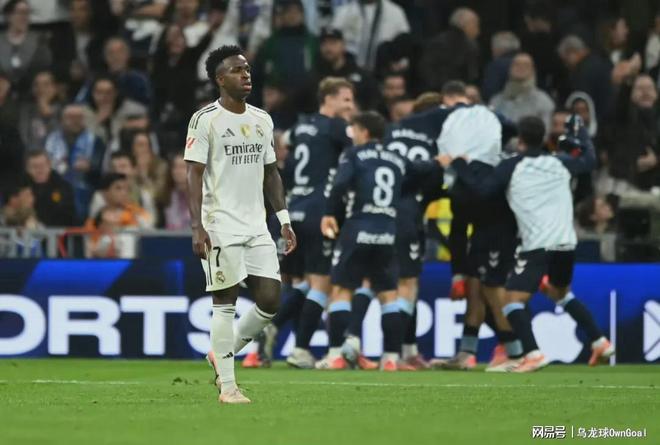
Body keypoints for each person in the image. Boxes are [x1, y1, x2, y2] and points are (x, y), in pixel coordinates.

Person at [443, 115, 614, 372]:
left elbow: (481, 190)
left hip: (538, 245)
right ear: (544, 138)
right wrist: (581, 135)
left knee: (512, 301)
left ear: (520, 140)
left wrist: (458, 164)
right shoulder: (559, 162)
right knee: (561, 295)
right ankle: (600, 342)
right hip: (567, 244)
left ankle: (532, 354)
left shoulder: (512, 166)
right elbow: (589, 160)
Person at [186, 45, 296, 404]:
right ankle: (229, 386)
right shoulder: (205, 119)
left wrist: (283, 219)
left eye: (247, 69)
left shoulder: (262, 119)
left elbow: (271, 173)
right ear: (220, 79)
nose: (246, 74)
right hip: (219, 223)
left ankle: (221, 353)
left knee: (270, 300)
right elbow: (194, 174)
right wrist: (197, 226)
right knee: (225, 301)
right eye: (237, 70)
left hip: (256, 224)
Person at [319, 111, 440, 371]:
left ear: (364, 131)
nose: (352, 135)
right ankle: (391, 358)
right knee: (389, 295)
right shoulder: (396, 158)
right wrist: (439, 161)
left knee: (342, 291)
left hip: (358, 228)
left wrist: (329, 213)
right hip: (387, 232)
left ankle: (336, 354)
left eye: (354, 130)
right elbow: (421, 169)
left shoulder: (354, 154)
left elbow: (339, 185)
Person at [428, 81, 523, 372]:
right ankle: (467, 353)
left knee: (493, 291)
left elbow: (482, 193)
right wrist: (458, 271)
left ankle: (517, 352)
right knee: (475, 290)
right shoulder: (460, 178)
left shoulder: (493, 166)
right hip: (481, 233)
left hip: (499, 234)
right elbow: (459, 224)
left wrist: (459, 163)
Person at [274, 77, 355, 369]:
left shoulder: (301, 127)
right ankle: (297, 345)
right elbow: (360, 148)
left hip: (294, 209)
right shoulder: (337, 127)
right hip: (321, 212)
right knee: (321, 283)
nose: (351, 106)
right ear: (328, 98)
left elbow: (283, 142)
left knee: (300, 283)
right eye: (346, 99)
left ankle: (276, 336)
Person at [45, 103, 106, 221]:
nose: (75, 121)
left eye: (79, 117)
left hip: (86, 190)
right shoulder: (51, 140)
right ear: (62, 119)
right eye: (70, 117)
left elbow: (101, 167)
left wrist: (90, 167)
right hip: (55, 188)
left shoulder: (95, 141)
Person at [418, 7, 480, 92]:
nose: (478, 31)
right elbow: (472, 75)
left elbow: (424, 69)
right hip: (459, 92)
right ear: (467, 25)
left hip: (435, 91)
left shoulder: (436, 41)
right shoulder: (470, 45)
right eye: (476, 25)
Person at [489, 53, 555, 132]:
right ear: (510, 69)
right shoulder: (496, 100)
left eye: (526, 65)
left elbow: (545, 132)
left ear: (533, 70)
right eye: (516, 64)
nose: (521, 67)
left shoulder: (543, 101)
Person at [0, 0, 52, 96]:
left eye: (27, 13)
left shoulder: (39, 40)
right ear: (9, 16)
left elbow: (45, 69)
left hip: (32, 94)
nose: (24, 17)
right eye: (20, 13)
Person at [26, 150, 77, 227]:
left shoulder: (64, 187)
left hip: (57, 230)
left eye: (42, 166)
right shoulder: (22, 189)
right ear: (28, 169)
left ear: (49, 165)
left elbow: (69, 216)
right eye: (35, 166)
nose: (39, 170)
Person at [18, 70, 62, 152]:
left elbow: (61, 140)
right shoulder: (26, 110)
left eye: (46, 84)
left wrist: (49, 116)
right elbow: (24, 138)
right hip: (32, 155)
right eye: (36, 85)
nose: (41, 89)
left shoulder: (64, 110)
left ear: (55, 88)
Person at [156, 154, 190, 230]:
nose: (178, 171)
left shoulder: (201, 197)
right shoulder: (163, 198)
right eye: (175, 167)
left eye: (182, 167)